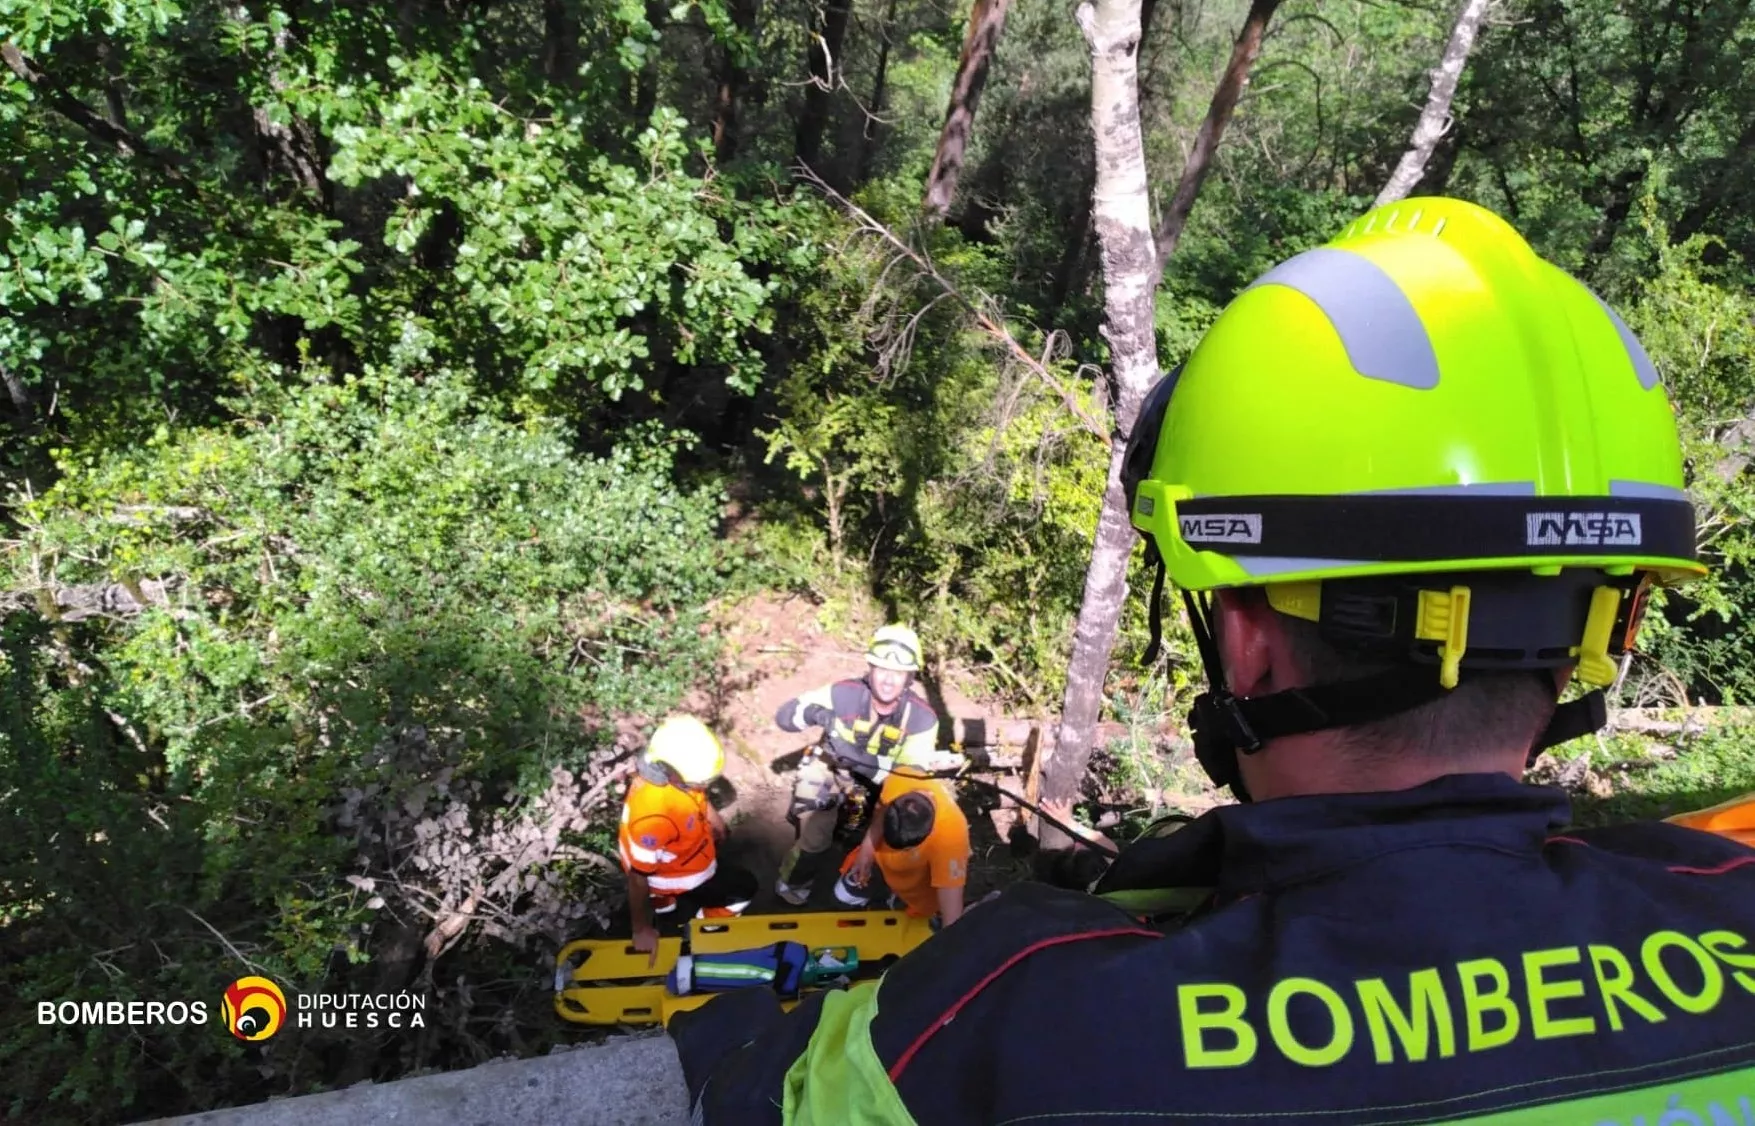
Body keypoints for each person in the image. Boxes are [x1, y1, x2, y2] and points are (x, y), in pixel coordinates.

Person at [667, 197, 1755, 1122]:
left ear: (1251, 635)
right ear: (1601, 633)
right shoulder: (1726, 899)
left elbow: (761, 1095)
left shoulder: (1002, 1027)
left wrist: (722, 1012)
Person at [770, 625, 958, 905]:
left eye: (898, 673)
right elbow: (785, 717)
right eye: (882, 669)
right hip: (834, 772)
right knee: (815, 835)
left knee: (902, 829)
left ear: (910, 677)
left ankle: (895, 890)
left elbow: (909, 776)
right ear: (870, 668)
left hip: (885, 783)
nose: (888, 680)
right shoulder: (843, 694)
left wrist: (854, 755)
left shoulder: (921, 719)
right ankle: (792, 887)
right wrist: (815, 713)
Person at [618, 714, 757, 965]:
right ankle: (702, 931)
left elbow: (697, 796)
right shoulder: (652, 816)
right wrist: (640, 929)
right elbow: (638, 877)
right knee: (743, 889)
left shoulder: (676, 769)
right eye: (700, 781)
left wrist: (714, 821)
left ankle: (667, 912)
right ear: (671, 773)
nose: (703, 785)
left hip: (677, 861)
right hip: (675, 874)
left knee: (666, 908)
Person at [833, 770, 972, 928]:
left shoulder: (952, 837)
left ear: (929, 832)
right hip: (880, 862)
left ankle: (895, 901)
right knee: (842, 896)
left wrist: (947, 944)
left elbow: (951, 911)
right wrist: (866, 851)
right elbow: (881, 811)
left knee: (912, 924)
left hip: (916, 889)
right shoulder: (901, 778)